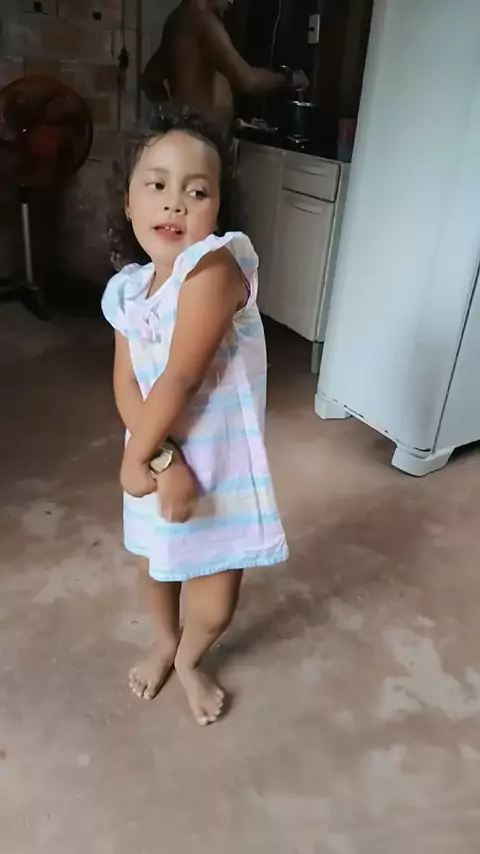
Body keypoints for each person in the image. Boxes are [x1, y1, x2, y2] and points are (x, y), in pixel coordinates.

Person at [102, 104, 288, 726]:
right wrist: (156, 460)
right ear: (129, 203)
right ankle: (164, 641)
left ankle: (190, 657)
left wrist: (137, 459)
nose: (174, 203)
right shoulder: (127, 290)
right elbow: (126, 381)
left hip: (220, 468)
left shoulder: (214, 268)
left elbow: (180, 377)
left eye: (197, 191)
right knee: (155, 564)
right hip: (157, 455)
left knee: (215, 602)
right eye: (157, 184)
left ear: (217, 211)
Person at [141, 0, 308, 128]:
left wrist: (174, 117)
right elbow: (247, 80)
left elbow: (150, 80)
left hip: (191, 136)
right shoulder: (203, 20)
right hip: (204, 139)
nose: (232, 1)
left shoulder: (178, 19)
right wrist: (289, 77)